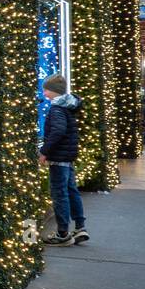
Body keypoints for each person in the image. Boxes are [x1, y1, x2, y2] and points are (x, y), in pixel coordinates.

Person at [39, 74, 87, 245]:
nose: (44, 91)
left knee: (59, 194)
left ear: (54, 91)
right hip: (67, 156)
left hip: (59, 157)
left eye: (46, 89)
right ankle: (80, 226)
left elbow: (58, 131)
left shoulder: (57, 108)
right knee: (71, 190)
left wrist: (44, 152)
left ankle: (62, 233)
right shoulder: (67, 106)